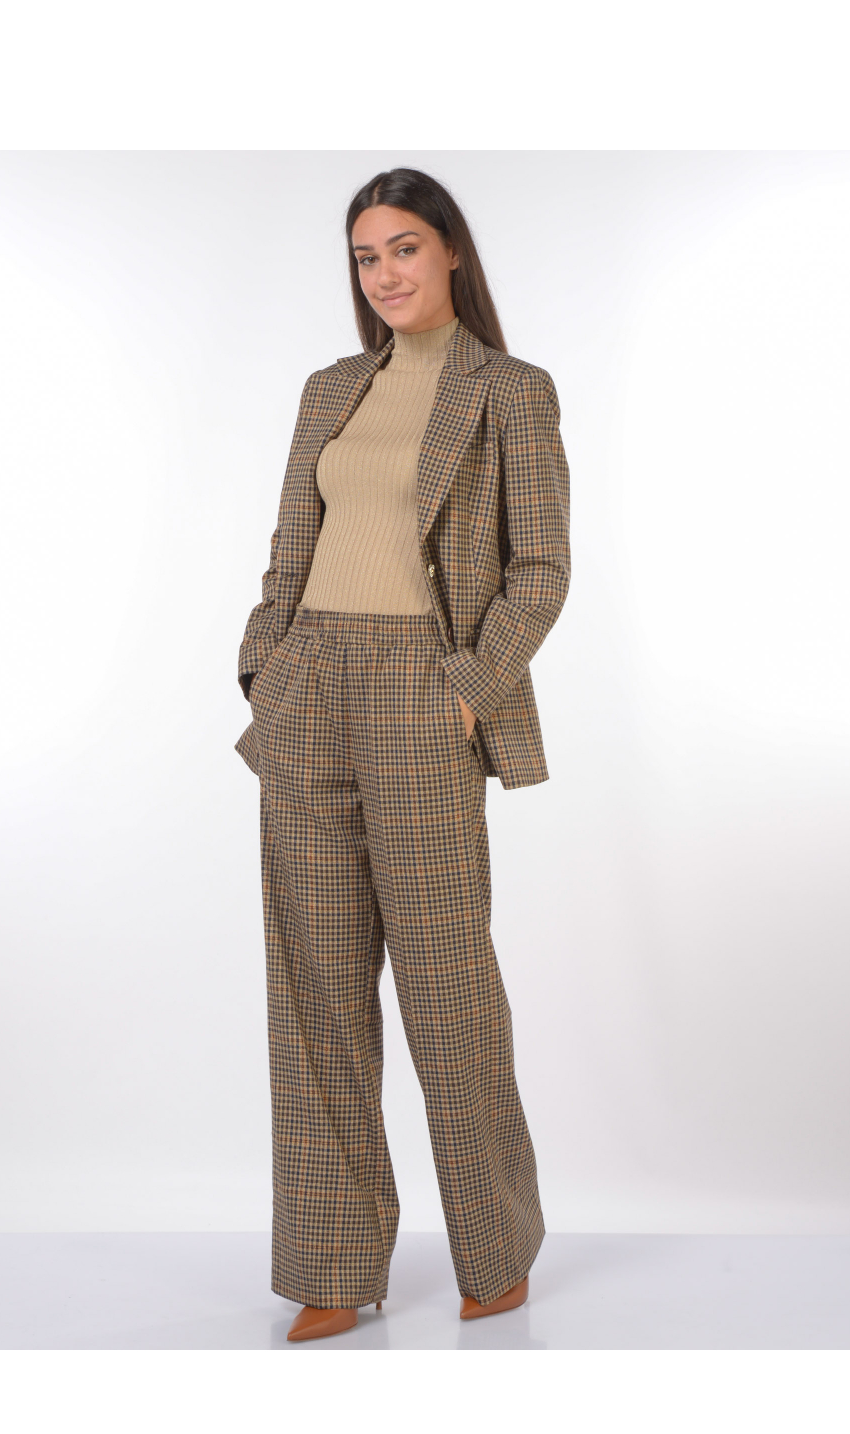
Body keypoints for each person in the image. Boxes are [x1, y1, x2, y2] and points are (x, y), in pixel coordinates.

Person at [234, 166, 571, 1342]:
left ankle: (495, 1246)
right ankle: (335, 1265)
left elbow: (541, 569)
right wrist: (265, 664)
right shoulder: (330, 388)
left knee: (447, 988)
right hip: (310, 686)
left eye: (405, 249)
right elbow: (292, 543)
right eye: (367, 257)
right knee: (315, 993)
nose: (385, 274)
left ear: (452, 252)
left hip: (426, 691)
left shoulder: (510, 391)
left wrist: (467, 695)